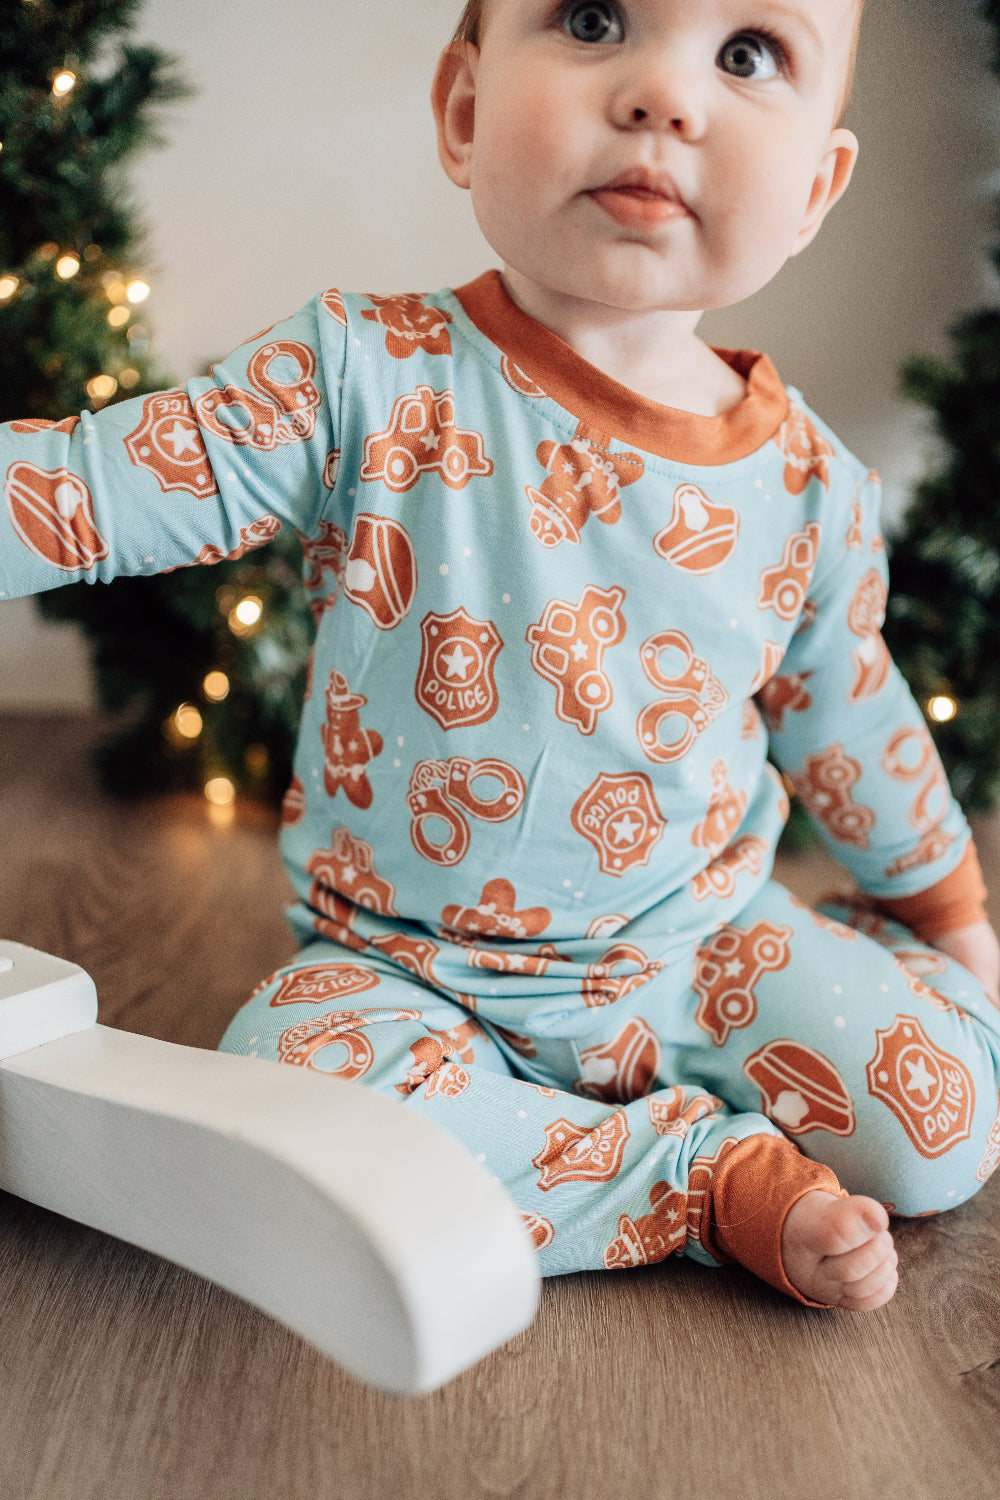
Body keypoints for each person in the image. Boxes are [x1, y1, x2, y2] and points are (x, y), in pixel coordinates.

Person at [3, 0, 999, 1314]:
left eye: (747, 53)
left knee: (940, 1142)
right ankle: (696, 1177)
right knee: (298, 1097)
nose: (663, 95)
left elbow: (851, 717)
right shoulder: (362, 375)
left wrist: (948, 914)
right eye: (594, 19)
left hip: (700, 944)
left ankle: (717, 1080)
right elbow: (100, 485)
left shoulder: (806, 481)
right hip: (411, 974)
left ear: (812, 186)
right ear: (467, 110)